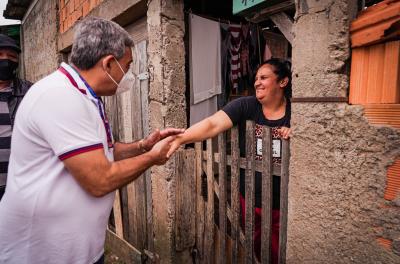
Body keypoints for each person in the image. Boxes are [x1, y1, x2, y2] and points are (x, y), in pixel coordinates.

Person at [0, 17, 183, 264]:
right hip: (41, 253)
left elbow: (104, 151)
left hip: (78, 250)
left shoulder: (83, 94)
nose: (128, 74)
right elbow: (100, 180)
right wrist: (153, 157)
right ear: (108, 63)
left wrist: (143, 146)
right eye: (127, 66)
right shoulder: (60, 96)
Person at [168, 58, 292, 263]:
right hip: (250, 197)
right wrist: (181, 137)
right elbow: (212, 124)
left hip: (283, 202)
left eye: (264, 77)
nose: (257, 82)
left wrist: (297, 135)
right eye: (256, 78)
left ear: (283, 82)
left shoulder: (297, 112)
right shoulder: (246, 105)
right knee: (252, 246)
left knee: (281, 250)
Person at [0, 34, 32, 200]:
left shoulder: (32, 93)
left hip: (20, 187)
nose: (5, 60)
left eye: (11, 56)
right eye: (0, 55)